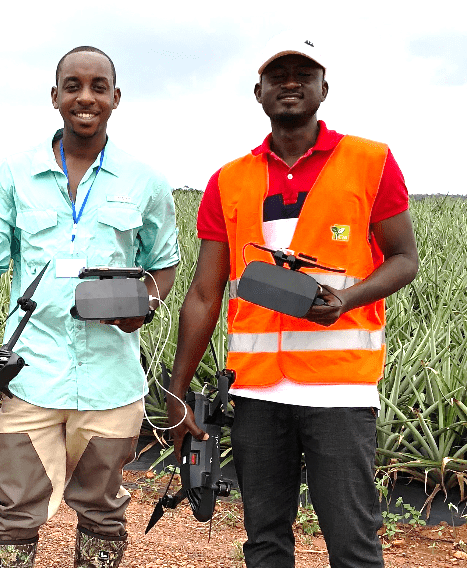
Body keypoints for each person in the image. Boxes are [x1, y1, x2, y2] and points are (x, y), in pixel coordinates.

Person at [167, 34, 419, 568]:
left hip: (340, 391)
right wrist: (179, 388)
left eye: (303, 74)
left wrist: (347, 299)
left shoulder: (370, 161)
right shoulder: (228, 181)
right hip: (258, 390)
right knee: (264, 539)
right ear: (257, 91)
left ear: (325, 88)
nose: (290, 83)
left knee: (352, 541)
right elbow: (204, 293)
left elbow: (404, 261)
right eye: (277, 75)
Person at [0, 46, 180, 568]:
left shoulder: (145, 181)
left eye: (99, 87)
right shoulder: (13, 174)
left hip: (112, 380)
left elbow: (163, 263)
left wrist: (147, 302)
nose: (86, 96)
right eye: (72, 85)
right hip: (31, 373)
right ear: (55, 97)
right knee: (15, 510)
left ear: (116, 98)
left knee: (102, 512)